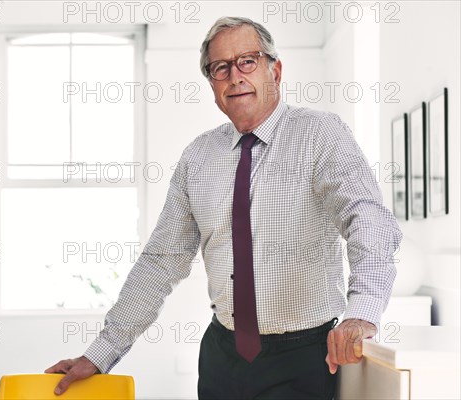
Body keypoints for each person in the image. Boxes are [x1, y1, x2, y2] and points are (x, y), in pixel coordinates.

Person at [46, 17, 402, 399]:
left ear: (275, 71)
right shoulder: (197, 157)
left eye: (247, 61)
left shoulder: (320, 135)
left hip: (303, 357)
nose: (235, 76)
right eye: (220, 67)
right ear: (212, 83)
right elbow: (160, 262)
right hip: (221, 357)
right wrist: (100, 355)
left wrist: (361, 312)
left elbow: (368, 221)